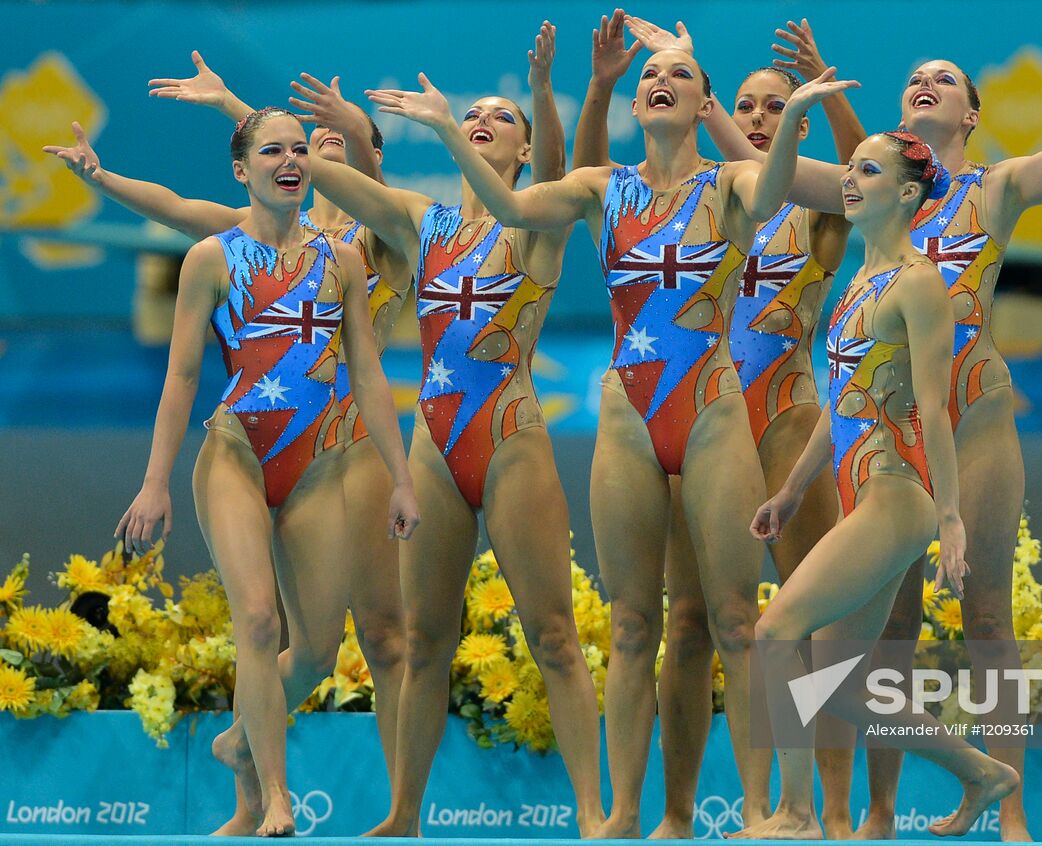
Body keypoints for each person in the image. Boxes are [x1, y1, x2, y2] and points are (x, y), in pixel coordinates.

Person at [707, 20, 1042, 839]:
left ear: (971, 115)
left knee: (984, 615)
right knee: (869, 643)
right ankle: (882, 809)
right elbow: (770, 175)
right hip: (880, 430)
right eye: (913, 78)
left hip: (965, 419)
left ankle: (1007, 814)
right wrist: (755, 100)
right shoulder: (871, 214)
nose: (924, 82)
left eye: (944, 78)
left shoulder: (995, 188)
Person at [363, 51, 856, 837]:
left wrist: (796, 117)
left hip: (720, 415)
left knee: (743, 621)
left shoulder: (729, 183)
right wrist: (446, 135)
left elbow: (777, 187)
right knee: (637, 627)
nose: (659, 80)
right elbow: (515, 207)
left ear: (705, 106)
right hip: (628, 417)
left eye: (681, 75)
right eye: (650, 74)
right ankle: (628, 816)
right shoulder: (605, 188)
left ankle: (783, 812)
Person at [45, 55, 413, 835]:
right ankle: (272, 796)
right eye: (277, 152)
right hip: (237, 453)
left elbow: (374, 380)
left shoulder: (352, 253)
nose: (296, 160)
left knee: (315, 649)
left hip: (324, 461)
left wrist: (403, 476)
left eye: (307, 150)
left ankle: (244, 739)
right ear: (245, 170)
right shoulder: (217, 251)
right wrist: (155, 482)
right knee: (257, 620)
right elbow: (180, 375)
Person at [299, 24, 608, 837]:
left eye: (503, 118)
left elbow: (558, 169)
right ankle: (403, 814)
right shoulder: (419, 220)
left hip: (510, 440)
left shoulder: (536, 222)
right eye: (475, 113)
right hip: (433, 448)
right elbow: (307, 172)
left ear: (524, 147)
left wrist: (540, 90)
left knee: (553, 634)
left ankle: (590, 814)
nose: (483, 119)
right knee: (424, 640)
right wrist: (348, 130)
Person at [573, 13, 857, 837]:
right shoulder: (699, 190)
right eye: (747, 104)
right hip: (693, 408)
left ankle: (822, 808)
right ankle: (674, 812)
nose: (762, 117)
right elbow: (605, 185)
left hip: (783, 418)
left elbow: (858, 175)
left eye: (775, 107)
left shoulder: (804, 204)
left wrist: (801, 98)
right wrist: (675, 76)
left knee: (807, 625)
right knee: (688, 619)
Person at [732, 129, 1013, 841]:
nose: (848, 181)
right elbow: (844, 398)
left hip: (896, 492)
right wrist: (794, 491)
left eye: (867, 170)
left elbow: (934, 407)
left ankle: (794, 814)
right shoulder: (861, 277)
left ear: (909, 192)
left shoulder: (921, 285)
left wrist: (950, 517)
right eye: (849, 169)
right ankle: (981, 772)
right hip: (859, 488)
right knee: (841, 684)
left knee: (773, 632)